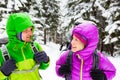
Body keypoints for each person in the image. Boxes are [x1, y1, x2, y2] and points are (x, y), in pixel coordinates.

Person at [0, 13, 50, 80]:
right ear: (15, 32)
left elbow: (44, 67)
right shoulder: (2, 53)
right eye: (26, 30)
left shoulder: (35, 47)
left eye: (30, 29)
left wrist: (46, 60)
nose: (30, 33)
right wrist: (3, 72)